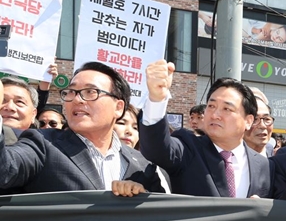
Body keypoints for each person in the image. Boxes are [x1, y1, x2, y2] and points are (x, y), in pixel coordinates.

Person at [0, 63, 164, 195]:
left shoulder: (142, 165)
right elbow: (5, 169)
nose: (77, 99)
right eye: (71, 92)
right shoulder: (42, 144)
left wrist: (143, 197)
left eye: (90, 91)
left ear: (118, 107)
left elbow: (163, 219)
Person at [140, 60, 271, 198]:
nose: (215, 115)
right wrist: (156, 99)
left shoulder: (264, 166)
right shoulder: (188, 148)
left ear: (248, 121)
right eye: (211, 106)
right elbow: (156, 150)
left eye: (227, 109)